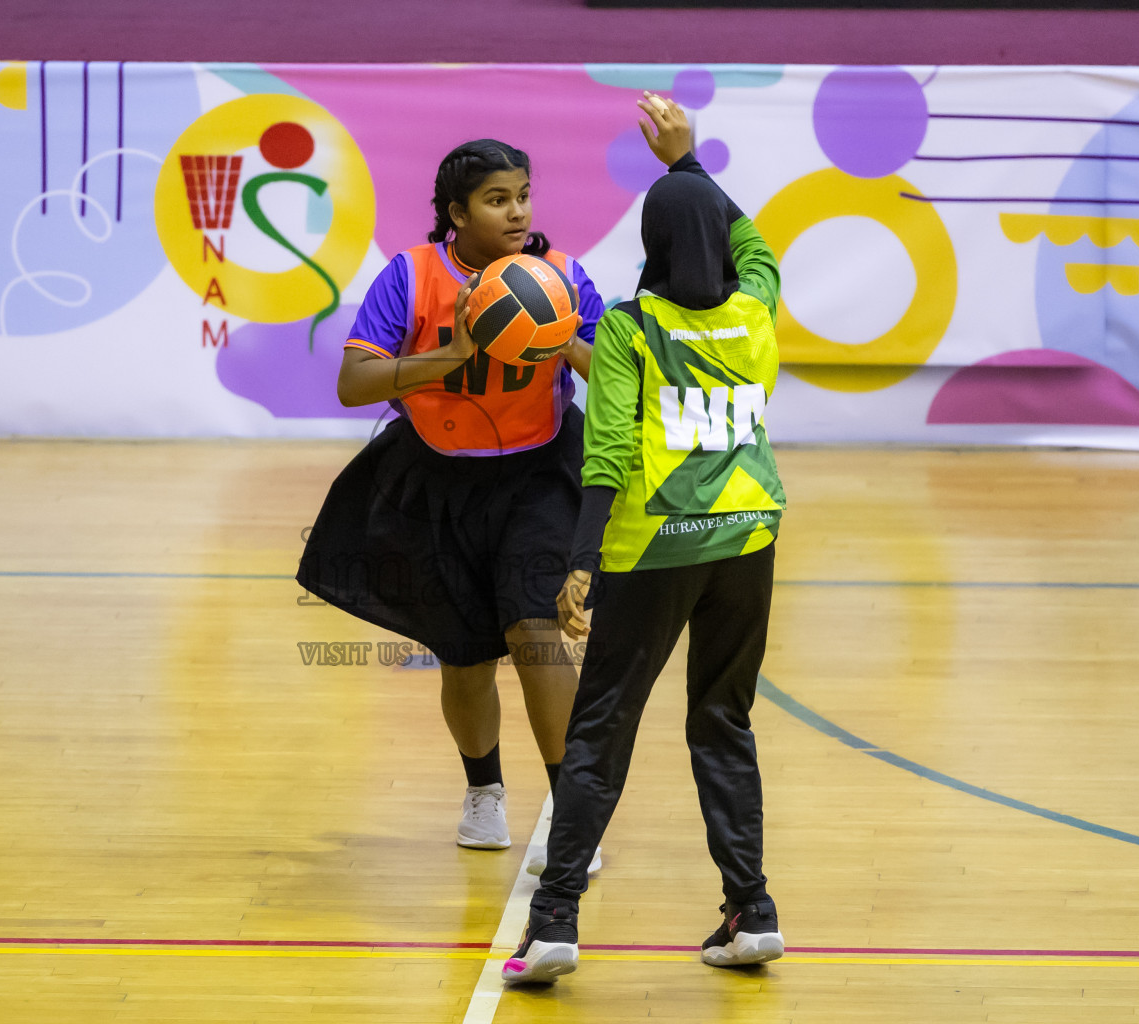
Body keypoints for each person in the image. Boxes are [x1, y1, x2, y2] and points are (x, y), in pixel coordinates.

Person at [501, 93, 787, 985]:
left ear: (653, 245)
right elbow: (754, 244)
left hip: (653, 548)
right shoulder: (756, 310)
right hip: (747, 538)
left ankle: (553, 924)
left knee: (600, 732)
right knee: (722, 718)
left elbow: (610, 452)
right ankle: (753, 911)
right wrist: (690, 164)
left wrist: (580, 562)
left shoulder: (630, 325)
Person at [297, 139, 607, 863]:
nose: (518, 211)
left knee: (537, 635)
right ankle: (484, 792)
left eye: (524, 195)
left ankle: (572, 815)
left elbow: (612, 376)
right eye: (498, 200)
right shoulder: (409, 275)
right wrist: (451, 355)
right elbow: (353, 384)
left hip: (538, 476)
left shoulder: (559, 276)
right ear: (456, 212)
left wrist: (561, 339)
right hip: (437, 481)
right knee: (464, 658)